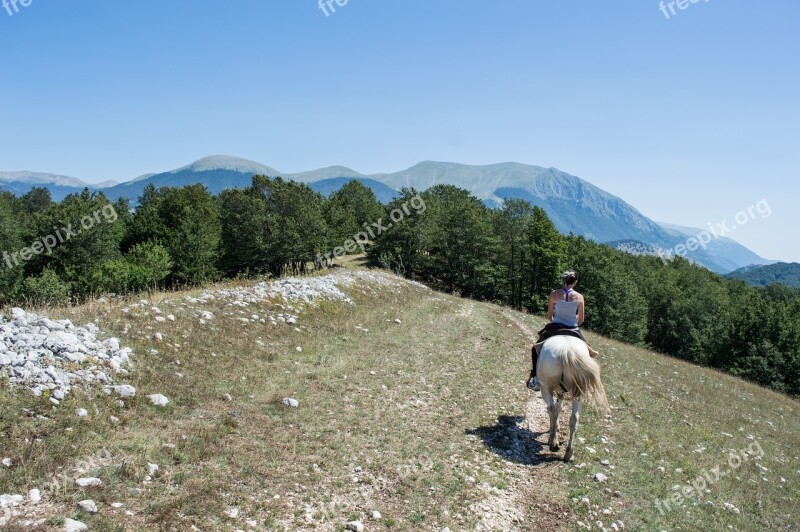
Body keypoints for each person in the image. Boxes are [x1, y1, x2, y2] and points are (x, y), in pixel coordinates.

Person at [527, 269, 599, 391]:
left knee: (535, 349)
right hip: (573, 329)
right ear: (575, 282)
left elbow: (550, 316)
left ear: (563, 280)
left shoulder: (554, 294)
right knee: (587, 352)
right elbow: (581, 320)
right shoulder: (579, 297)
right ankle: (586, 382)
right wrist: (572, 319)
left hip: (556, 327)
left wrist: (557, 318)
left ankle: (535, 377)